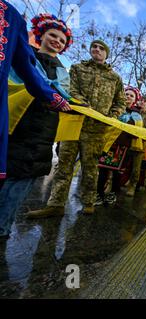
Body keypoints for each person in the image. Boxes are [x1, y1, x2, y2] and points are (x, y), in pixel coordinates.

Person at [25, 39, 126, 217]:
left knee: (90, 168)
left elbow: (121, 102)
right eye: (94, 46)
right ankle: (56, 204)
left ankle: (88, 202)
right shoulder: (78, 68)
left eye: (101, 48)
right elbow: (70, 90)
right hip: (74, 123)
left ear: (106, 54)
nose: (97, 49)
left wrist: (111, 116)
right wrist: (82, 104)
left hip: (96, 129)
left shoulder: (115, 78)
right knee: (64, 165)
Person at [0, 11, 72, 239]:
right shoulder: (21, 54)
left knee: (23, 177)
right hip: (13, 121)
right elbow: (14, 79)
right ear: (40, 35)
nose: (57, 41)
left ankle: (2, 228)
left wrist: (42, 83)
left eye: (62, 40)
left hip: (41, 130)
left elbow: (62, 93)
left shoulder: (63, 71)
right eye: (53, 35)